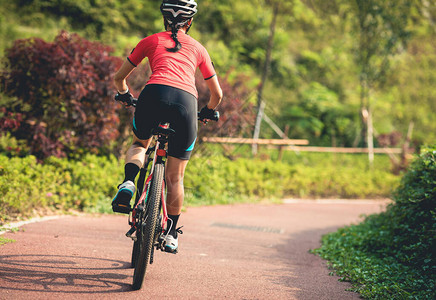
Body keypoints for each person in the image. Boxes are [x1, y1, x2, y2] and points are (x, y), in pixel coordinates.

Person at [111, 0, 223, 254]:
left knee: (140, 143)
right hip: (186, 103)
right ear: (190, 21)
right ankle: (171, 233)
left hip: (153, 95)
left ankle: (129, 183)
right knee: (176, 176)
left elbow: (120, 77)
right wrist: (207, 112)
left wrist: (125, 94)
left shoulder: (150, 41)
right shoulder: (199, 48)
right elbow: (217, 94)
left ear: (164, 18)